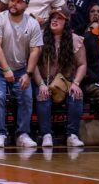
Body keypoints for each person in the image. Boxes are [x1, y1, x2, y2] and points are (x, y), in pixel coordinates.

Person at [0, 0, 43, 148]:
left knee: (26, 96)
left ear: (26, 5)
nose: (14, 4)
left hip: (21, 68)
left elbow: (35, 50)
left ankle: (22, 134)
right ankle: (0, 133)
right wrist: (6, 69)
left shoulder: (32, 24)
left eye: (18, 1)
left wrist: (29, 74)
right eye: (12, 0)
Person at [33, 10, 86, 148]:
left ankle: (72, 135)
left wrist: (76, 83)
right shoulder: (40, 38)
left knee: (77, 94)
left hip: (66, 82)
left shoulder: (75, 40)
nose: (54, 21)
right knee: (42, 95)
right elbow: (33, 65)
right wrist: (41, 84)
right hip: (45, 81)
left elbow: (82, 64)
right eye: (53, 18)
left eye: (59, 19)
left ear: (66, 23)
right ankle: (46, 135)